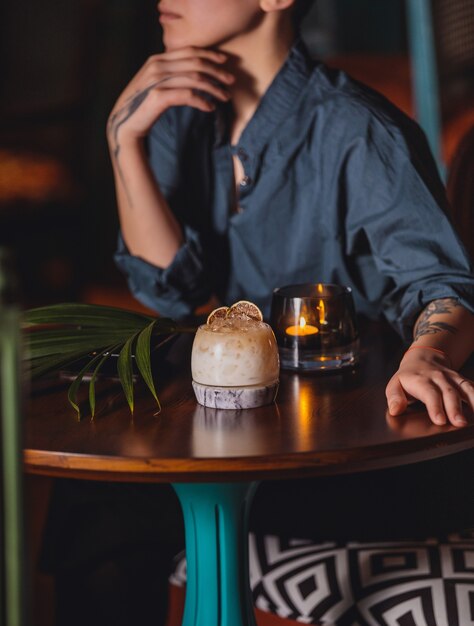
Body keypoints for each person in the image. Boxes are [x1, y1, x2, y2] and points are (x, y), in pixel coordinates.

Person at [42, 2, 474, 625]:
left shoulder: (357, 129)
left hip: (359, 452)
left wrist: (427, 354)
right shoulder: (181, 119)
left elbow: (445, 286)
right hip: (249, 439)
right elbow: (170, 291)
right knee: (95, 493)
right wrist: (124, 139)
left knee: (109, 506)